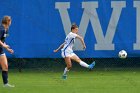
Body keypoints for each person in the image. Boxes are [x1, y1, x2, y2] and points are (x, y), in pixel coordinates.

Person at [0, 16, 14, 87]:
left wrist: (8, 49)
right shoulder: (1, 29)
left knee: (5, 66)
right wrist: (4, 46)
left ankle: (5, 84)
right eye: (10, 21)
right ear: (7, 21)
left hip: (0, 50)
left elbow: (2, 41)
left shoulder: (6, 29)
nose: (11, 22)